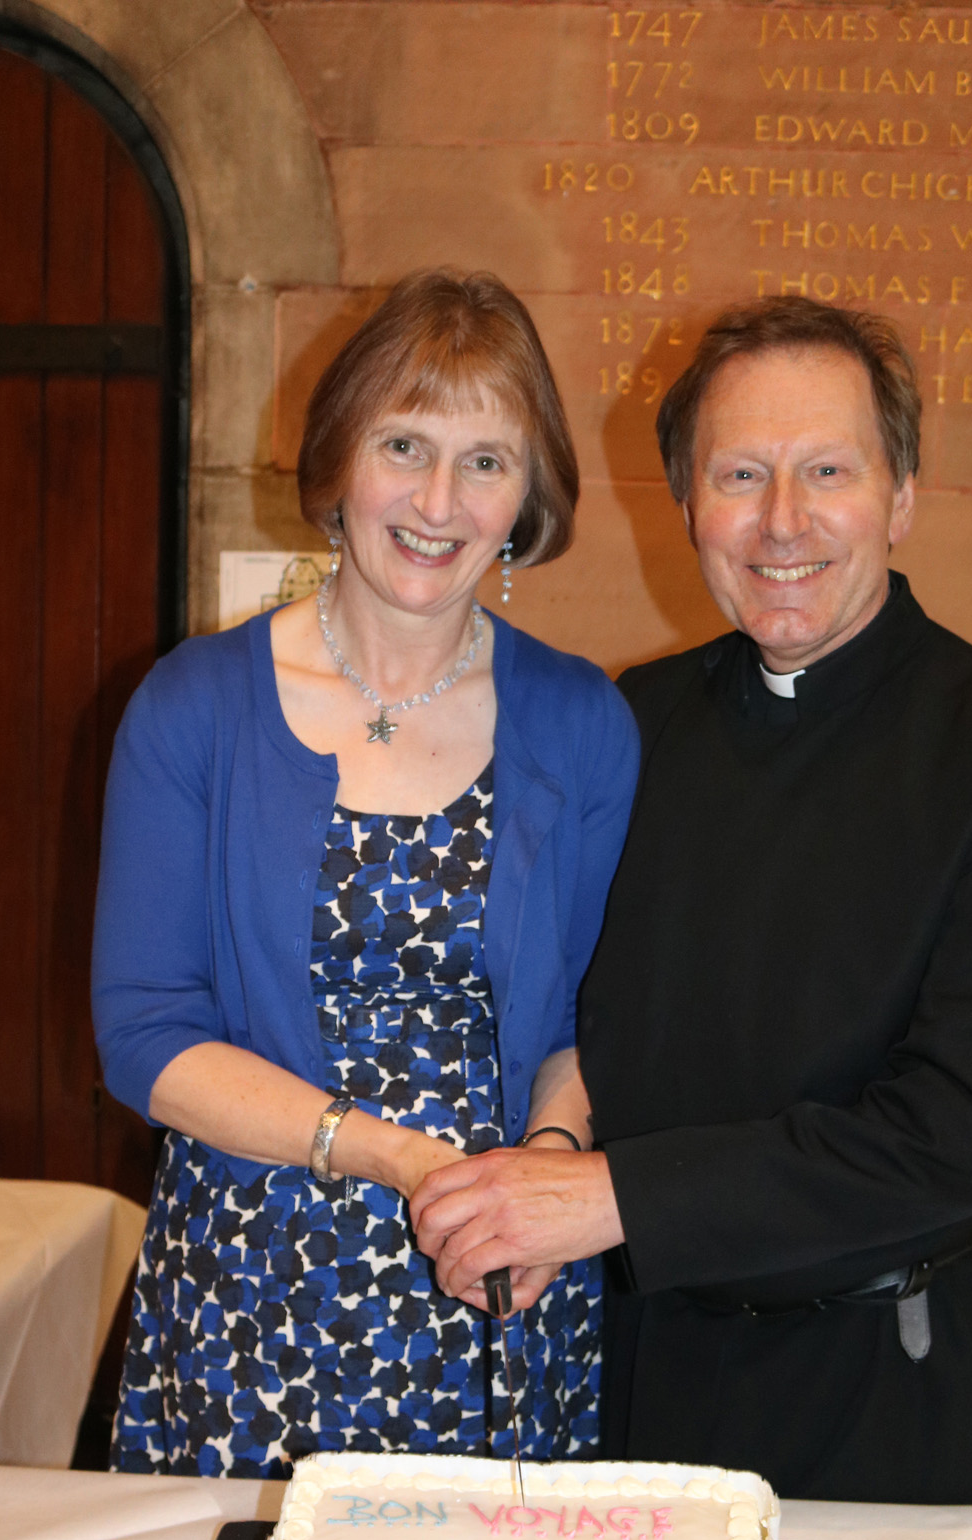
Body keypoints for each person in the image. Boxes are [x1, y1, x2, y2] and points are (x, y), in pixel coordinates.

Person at [413, 294, 972, 1504]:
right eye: (740, 475)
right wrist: (544, 1161)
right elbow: (578, 1012)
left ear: (899, 497)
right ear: (688, 504)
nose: (782, 522)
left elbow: (953, 1140)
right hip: (638, 1367)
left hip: (884, 1392)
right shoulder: (634, 723)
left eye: (827, 471)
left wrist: (602, 1195)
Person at [94, 269, 639, 1476]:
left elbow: (594, 1018)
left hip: (494, 1275)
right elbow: (144, 1037)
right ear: (341, 456)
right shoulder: (195, 707)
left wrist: (545, 1171)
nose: (439, 501)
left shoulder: (583, 721)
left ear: (526, 496)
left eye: (485, 461)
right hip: (254, 1280)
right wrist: (394, 1156)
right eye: (405, 444)